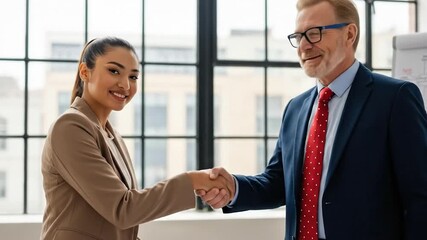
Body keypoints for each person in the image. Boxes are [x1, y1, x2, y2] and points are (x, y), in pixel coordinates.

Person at [198, 0, 427, 239]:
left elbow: (420, 198)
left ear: (349, 34)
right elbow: (277, 184)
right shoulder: (295, 109)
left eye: (315, 33)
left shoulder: (395, 99)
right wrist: (233, 188)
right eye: (299, 37)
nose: (304, 46)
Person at [41, 37, 231, 240]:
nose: (125, 84)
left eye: (133, 77)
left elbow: (122, 224)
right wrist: (193, 180)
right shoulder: (70, 127)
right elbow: (123, 209)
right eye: (114, 71)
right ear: (85, 72)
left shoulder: (112, 136)